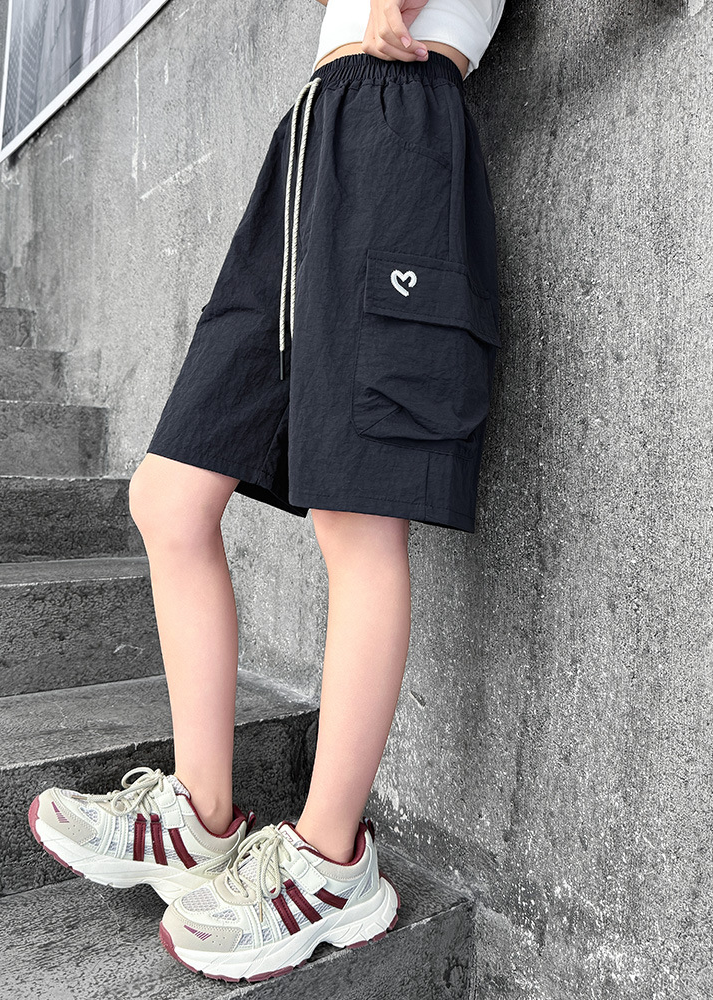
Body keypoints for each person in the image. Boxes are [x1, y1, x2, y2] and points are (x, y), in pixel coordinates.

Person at [27, 0, 505, 983]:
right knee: (169, 495)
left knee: (356, 524)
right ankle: (200, 816)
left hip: (397, 125)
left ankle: (333, 865)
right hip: (311, 139)